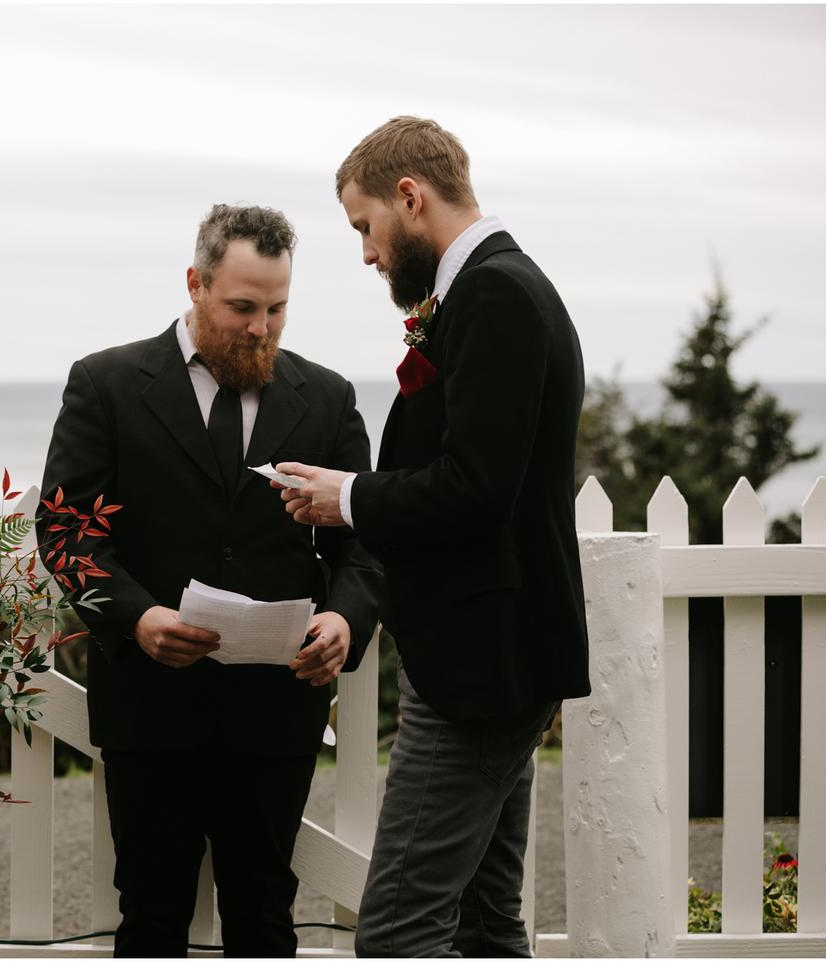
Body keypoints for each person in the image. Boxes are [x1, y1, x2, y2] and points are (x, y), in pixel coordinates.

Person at [275, 116, 590, 957]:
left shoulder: (494, 294)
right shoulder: (496, 288)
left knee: (399, 929)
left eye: (364, 227)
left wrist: (347, 498)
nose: (368, 253)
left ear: (409, 198)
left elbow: (476, 490)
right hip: (495, 655)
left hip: (479, 669)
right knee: (486, 923)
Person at [37, 204, 382, 957]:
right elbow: (65, 530)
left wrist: (346, 620)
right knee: (153, 921)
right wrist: (135, 616)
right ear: (195, 284)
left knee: (264, 919)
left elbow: (365, 546)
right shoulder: (106, 384)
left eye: (277, 309)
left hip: (275, 712)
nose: (261, 328)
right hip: (150, 710)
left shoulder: (326, 399)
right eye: (242, 308)